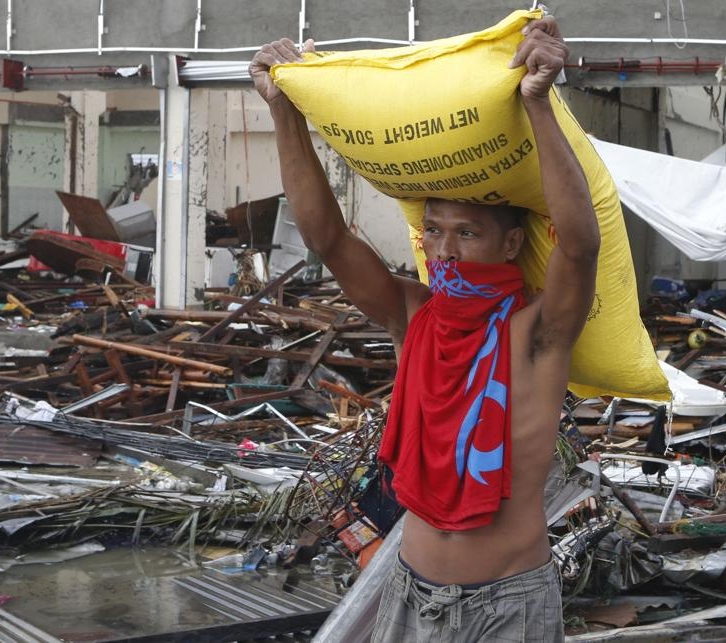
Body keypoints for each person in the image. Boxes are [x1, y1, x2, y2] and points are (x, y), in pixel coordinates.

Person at [250, 16, 600, 642]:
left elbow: (579, 246)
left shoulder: (538, 331)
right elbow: (328, 239)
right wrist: (283, 110)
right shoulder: (413, 314)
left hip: (508, 604)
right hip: (410, 590)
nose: (445, 251)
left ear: (511, 244)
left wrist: (537, 102)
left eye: (467, 233)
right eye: (433, 230)